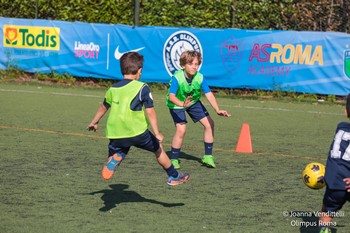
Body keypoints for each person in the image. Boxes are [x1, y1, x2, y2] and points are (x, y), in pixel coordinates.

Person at [87, 51, 189, 186]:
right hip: (137, 131)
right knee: (157, 148)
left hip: (115, 131)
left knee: (116, 153)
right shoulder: (142, 87)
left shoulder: (113, 88)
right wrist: (157, 132)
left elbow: (103, 107)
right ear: (139, 70)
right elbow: (150, 111)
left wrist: (94, 122)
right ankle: (173, 175)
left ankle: (115, 159)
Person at [165, 50, 231, 169]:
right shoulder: (177, 78)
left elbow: (209, 94)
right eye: (191, 64)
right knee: (181, 129)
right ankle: (174, 159)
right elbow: (171, 97)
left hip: (193, 102)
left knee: (210, 124)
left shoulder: (199, 77)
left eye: (196, 64)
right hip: (176, 104)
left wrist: (217, 109)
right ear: (183, 65)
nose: (194, 67)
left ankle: (208, 157)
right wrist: (182, 104)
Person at [319, 94, 350, 233]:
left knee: (326, 211)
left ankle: (324, 230)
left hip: (334, 183)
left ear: (346, 112)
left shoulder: (340, 127)